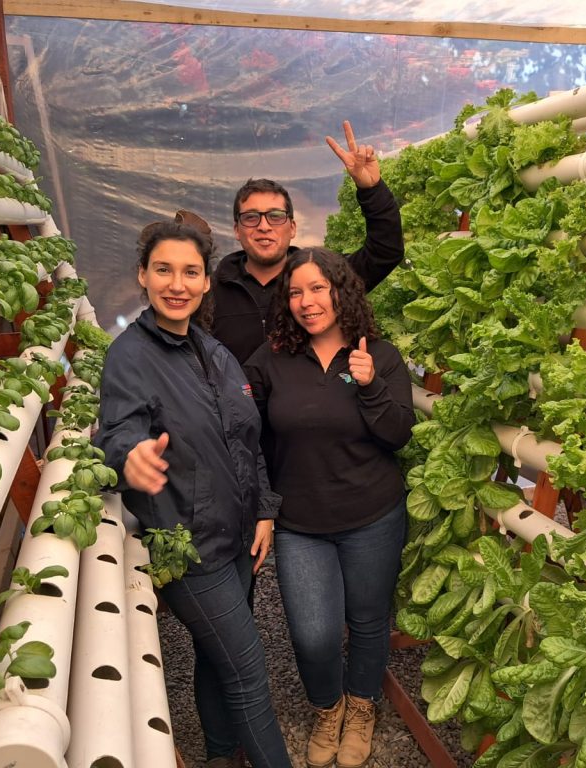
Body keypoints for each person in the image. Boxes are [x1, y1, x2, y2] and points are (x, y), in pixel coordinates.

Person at [94, 217, 292, 768]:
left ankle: (221, 756)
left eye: (190, 272)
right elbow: (118, 432)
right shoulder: (130, 355)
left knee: (216, 656)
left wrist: (264, 510)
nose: (176, 284)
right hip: (189, 546)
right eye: (164, 270)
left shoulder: (213, 351)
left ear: (206, 281)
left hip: (237, 537)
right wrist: (129, 457)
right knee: (249, 674)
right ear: (143, 275)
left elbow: (246, 437)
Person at [244, 246, 415, 768]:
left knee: (367, 620)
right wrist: (263, 506)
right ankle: (328, 707)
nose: (306, 301)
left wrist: (370, 385)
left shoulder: (380, 355)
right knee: (313, 634)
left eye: (318, 288)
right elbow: (246, 438)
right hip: (300, 524)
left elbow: (398, 434)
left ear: (342, 292)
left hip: (373, 516)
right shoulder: (270, 359)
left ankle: (361, 707)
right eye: (296, 292)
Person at [211, 120, 404, 365]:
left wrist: (371, 189)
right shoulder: (210, 290)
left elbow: (385, 251)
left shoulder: (327, 278)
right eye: (251, 217)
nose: (264, 226)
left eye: (275, 216)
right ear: (236, 230)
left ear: (292, 227)